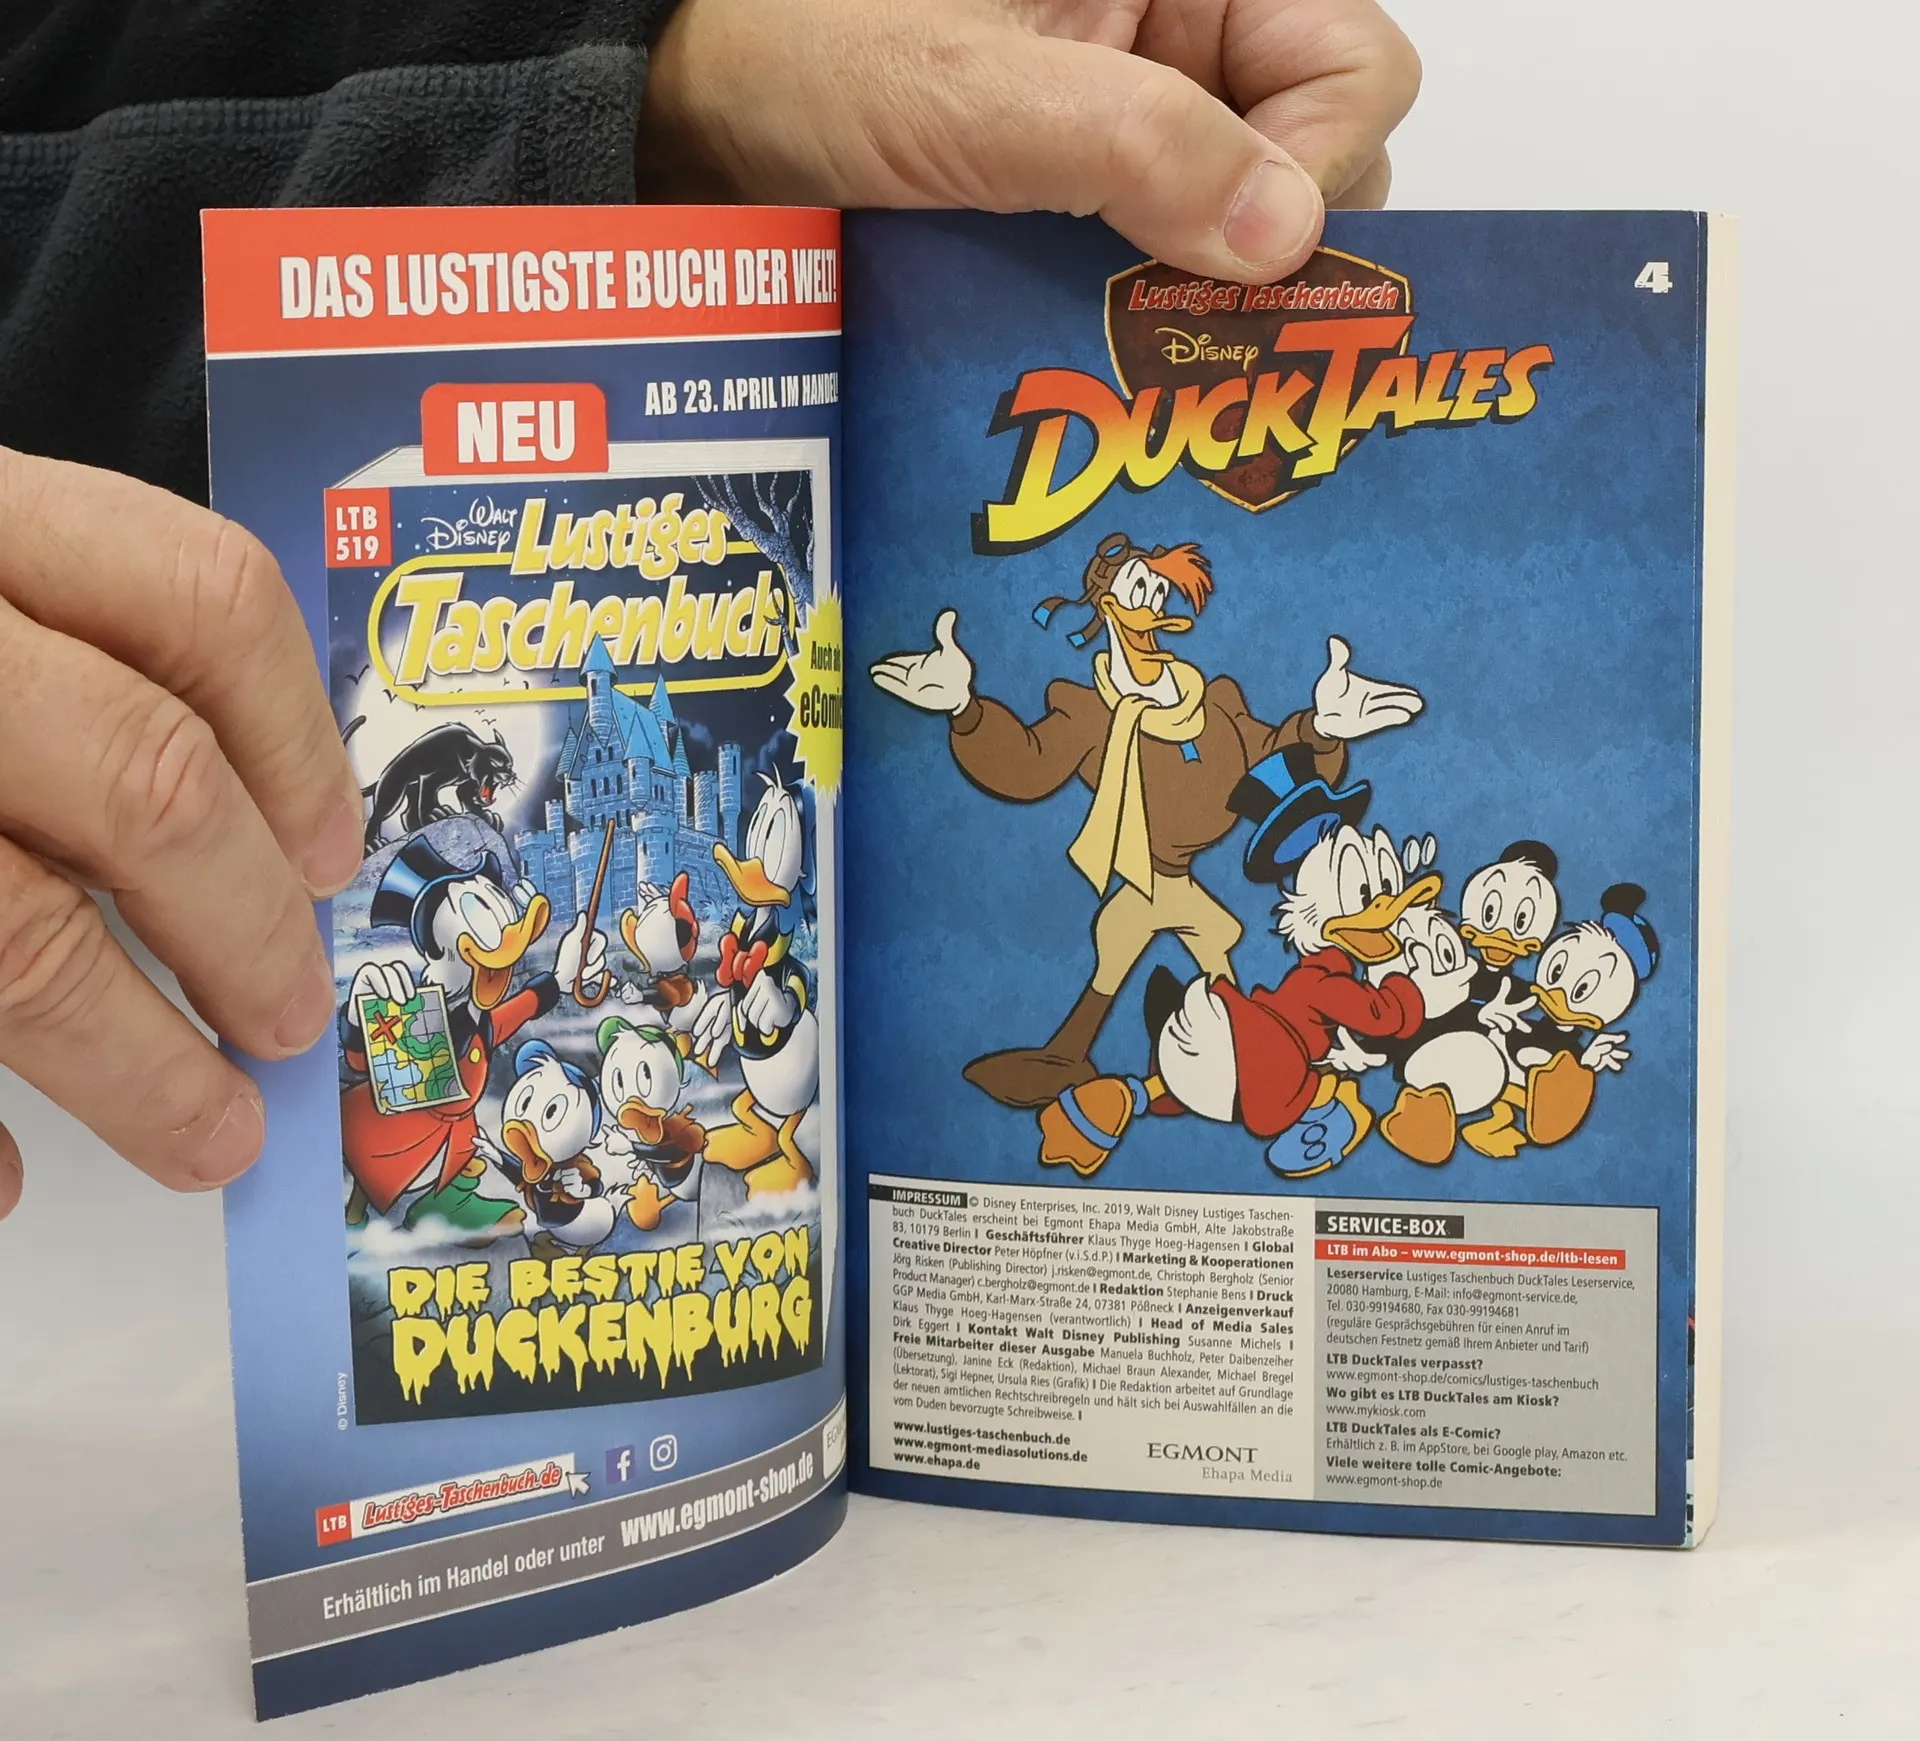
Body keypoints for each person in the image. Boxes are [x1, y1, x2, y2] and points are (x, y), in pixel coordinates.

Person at [0, 0, 1421, 1221]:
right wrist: (650, 100)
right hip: (125, 1130)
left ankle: (1255, 1070)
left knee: (1190, 947)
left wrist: (666, 93)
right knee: (1150, 949)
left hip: (150, 1148)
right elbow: (1034, 756)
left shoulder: (1197, 702)